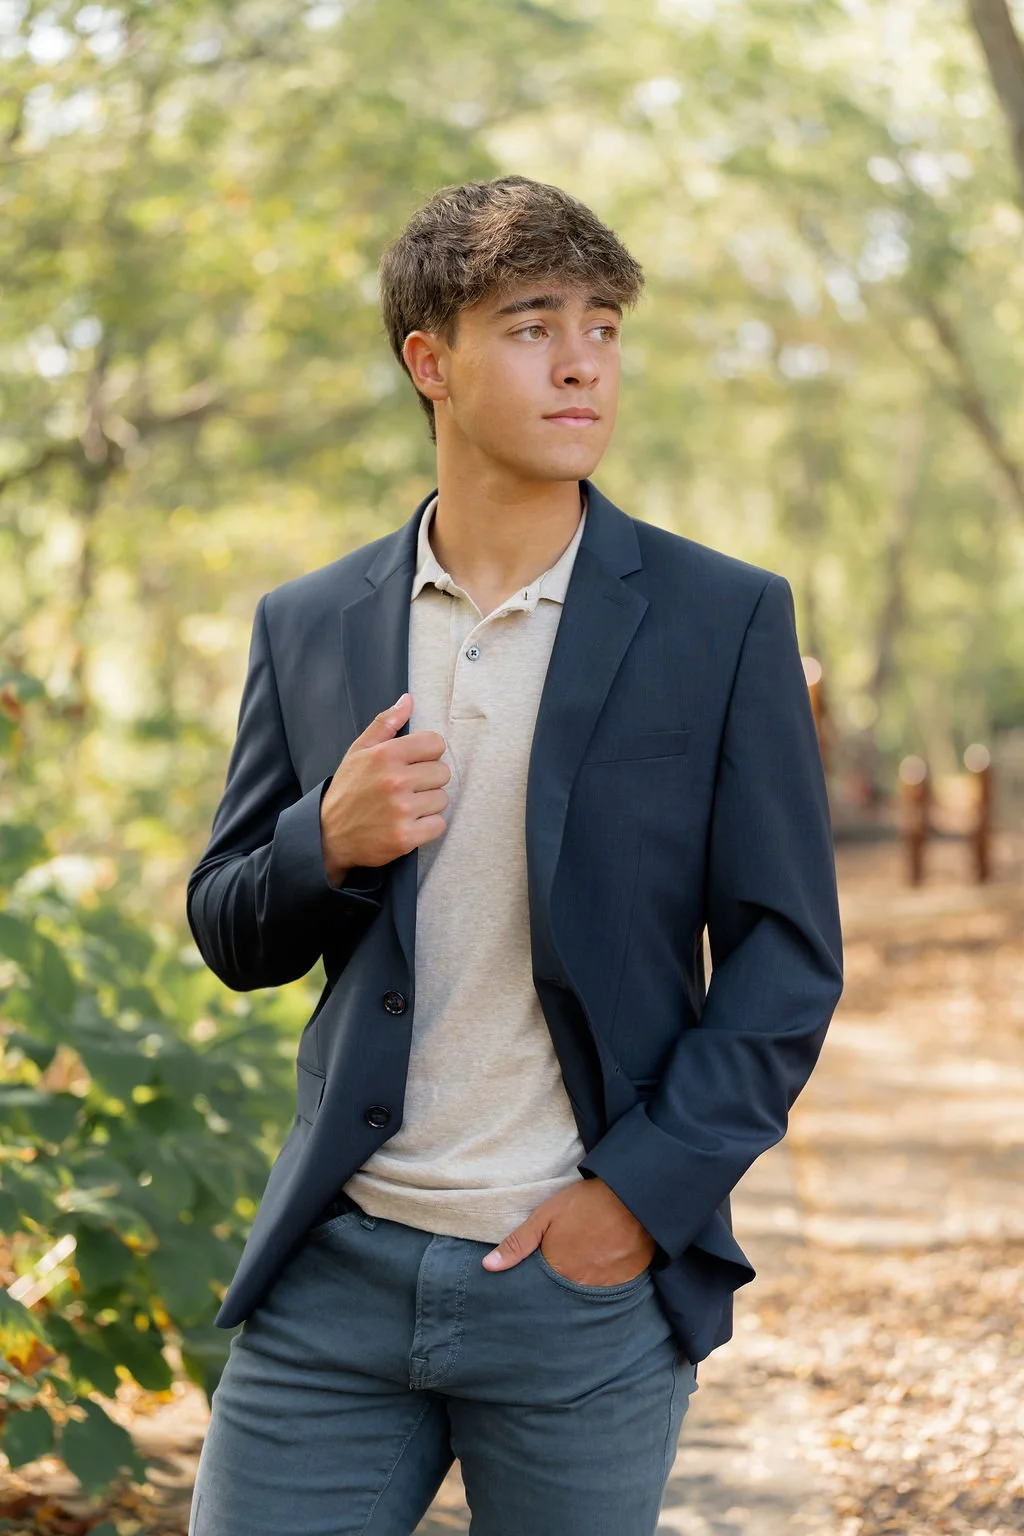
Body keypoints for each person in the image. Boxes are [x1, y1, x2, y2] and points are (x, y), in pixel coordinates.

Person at [185, 175, 843, 1536]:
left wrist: (637, 1201)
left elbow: (786, 963)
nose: (582, 360)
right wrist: (325, 839)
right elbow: (233, 929)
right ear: (429, 360)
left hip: (575, 1288)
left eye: (603, 326)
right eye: (533, 324)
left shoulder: (722, 621)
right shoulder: (310, 624)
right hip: (334, 1275)